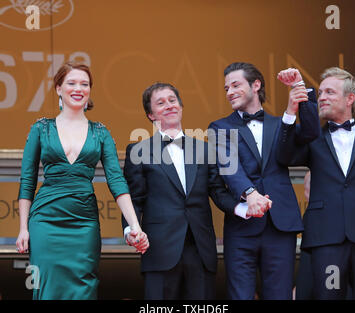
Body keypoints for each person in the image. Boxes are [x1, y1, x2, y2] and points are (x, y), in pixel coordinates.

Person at [15, 61, 149, 300]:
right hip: (45, 220)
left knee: (83, 288)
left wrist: (135, 226)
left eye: (84, 84)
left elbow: (117, 182)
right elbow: (27, 182)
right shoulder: (40, 128)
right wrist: (23, 228)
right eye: (72, 83)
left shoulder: (101, 132)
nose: (78, 88)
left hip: (83, 223)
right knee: (47, 286)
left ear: (89, 90)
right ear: (58, 88)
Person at [208, 63, 319, 299]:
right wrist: (250, 193)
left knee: (279, 295)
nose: (229, 92)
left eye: (236, 85)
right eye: (226, 88)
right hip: (242, 229)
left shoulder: (282, 123)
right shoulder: (219, 127)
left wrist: (299, 88)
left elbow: (310, 133)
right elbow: (230, 168)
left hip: (281, 226)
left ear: (255, 85)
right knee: (240, 295)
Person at [122, 82, 239, 299]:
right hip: (158, 250)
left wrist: (243, 208)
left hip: (200, 250)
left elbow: (218, 191)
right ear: (150, 115)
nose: (169, 105)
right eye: (160, 103)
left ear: (181, 106)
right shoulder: (138, 150)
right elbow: (133, 198)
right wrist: (131, 231)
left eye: (172, 100)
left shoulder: (205, 149)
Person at [277, 67, 355, 299]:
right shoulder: (312, 138)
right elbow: (284, 156)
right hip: (326, 238)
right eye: (320, 92)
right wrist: (290, 112)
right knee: (329, 295)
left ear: (350, 99)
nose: (322, 97)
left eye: (329, 92)